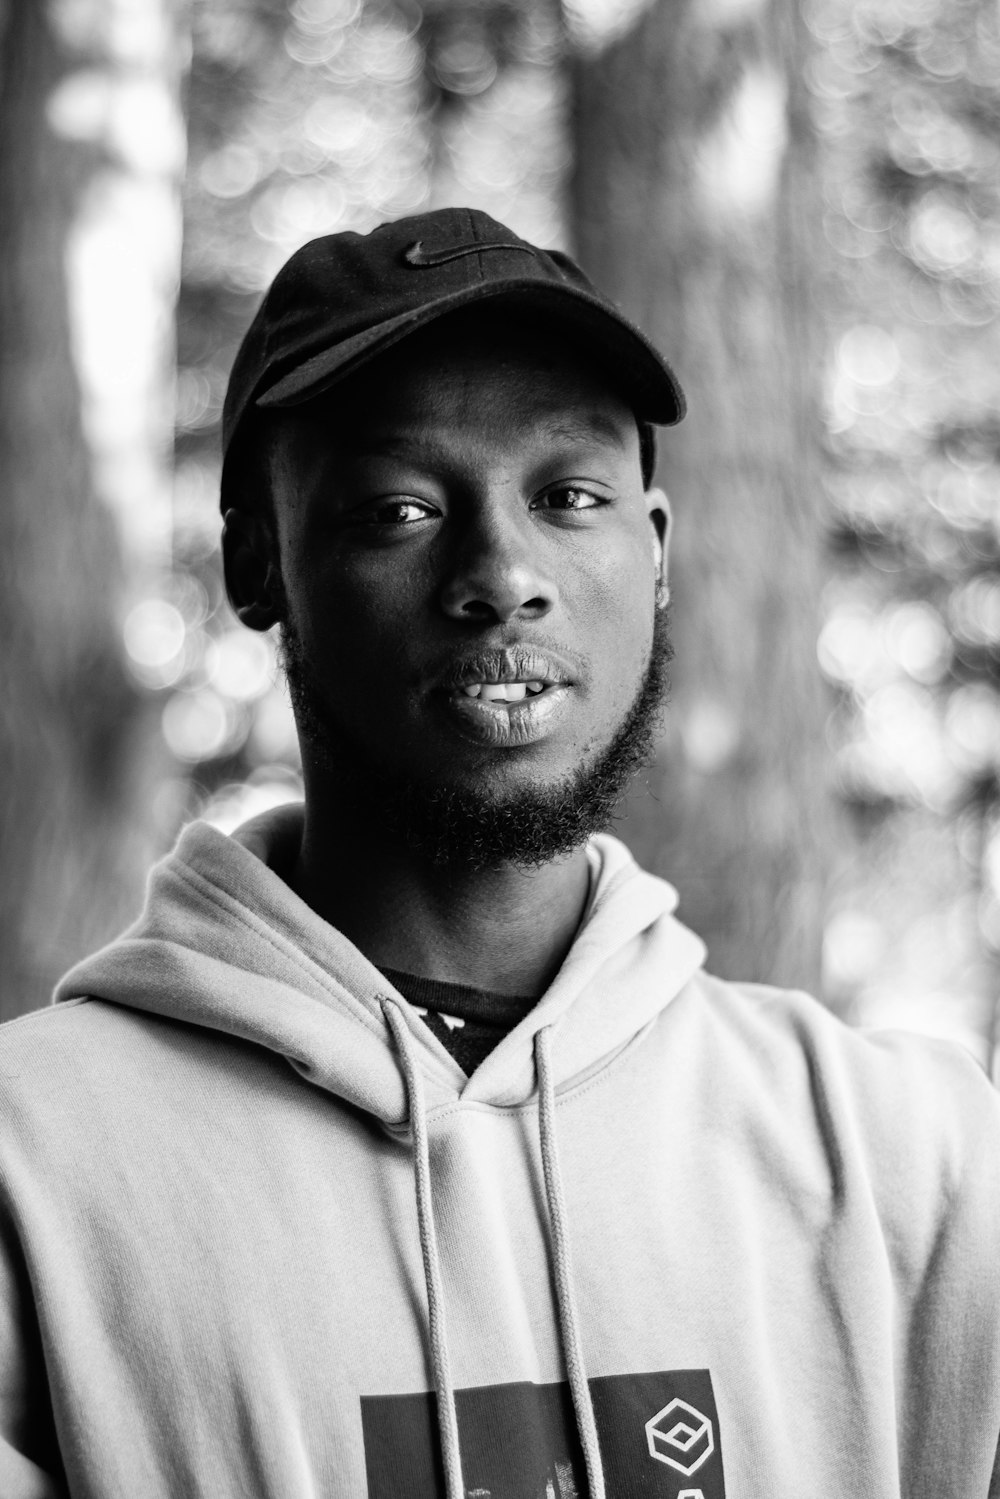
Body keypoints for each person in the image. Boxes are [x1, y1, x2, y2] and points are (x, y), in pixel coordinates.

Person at [1, 206, 999, 1499]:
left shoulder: (916, 1164)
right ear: (261, 563)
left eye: (568, 497)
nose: (502, 575)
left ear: (656, 551)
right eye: (401, 509)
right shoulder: (35, 1168)